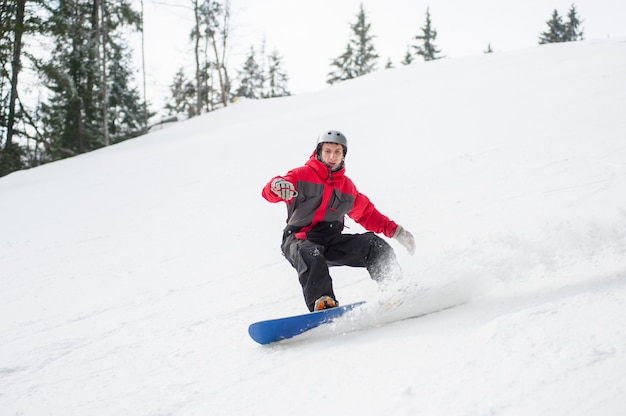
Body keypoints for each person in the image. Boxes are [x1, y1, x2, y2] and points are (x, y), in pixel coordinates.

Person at [262, 130, 416, 312]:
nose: (332, 156)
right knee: (310, 252)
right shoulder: (301, 175)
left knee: (373, 244)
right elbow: (272, 190)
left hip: (331, 239)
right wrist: (277, 186)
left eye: (337, 152)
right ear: (319, 152)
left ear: (344, 155)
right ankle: (322, 302)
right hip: (299, 239)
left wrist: (397, 232)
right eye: (327, 151)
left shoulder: (346, 187)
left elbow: (367, 214)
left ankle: (394, 287)